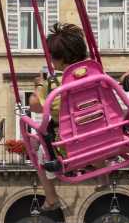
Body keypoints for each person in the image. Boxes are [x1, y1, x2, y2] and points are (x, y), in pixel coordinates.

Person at [28, 23, 89, 210]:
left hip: (69, 142)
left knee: (37, 152)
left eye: (52, 58)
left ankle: (51, 196)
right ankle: (101, 172)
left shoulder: (53, 84)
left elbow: (35, 106)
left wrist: (39, 85)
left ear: (59, 59)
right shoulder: (95, 74)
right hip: (99, 135)